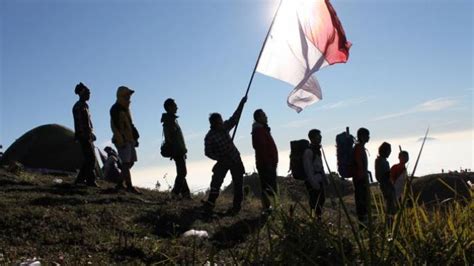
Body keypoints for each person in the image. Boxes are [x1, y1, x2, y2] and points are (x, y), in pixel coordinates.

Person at [202, 96, 247, 215]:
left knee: (238, 183)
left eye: (221, 120)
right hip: (223, 161)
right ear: (213, 123)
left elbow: (235, 117)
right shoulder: (209, 137)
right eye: (219, 121)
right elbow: (208, 152)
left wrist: (241, 103)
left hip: (235, 158)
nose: (221, 122)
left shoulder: (225, 127)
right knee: (216, 182)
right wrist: (220, 158)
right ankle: (211, 202)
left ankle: (236, 207)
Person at [110, 86, 141, 194]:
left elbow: (130, 125)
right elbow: (115, 127)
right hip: (122, 140)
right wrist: (121, 140)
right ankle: (128, 186)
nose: (129, 98)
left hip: (129, 139)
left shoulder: (125, 109)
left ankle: (120, 184)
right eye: (127, 95)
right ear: (121, 96)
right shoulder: (115, 109)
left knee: (130, 162)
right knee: (126, 163)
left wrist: (135, 137)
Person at [161, 98, 191, 200]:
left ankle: (186, 194)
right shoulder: (169, 121)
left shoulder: (172, 120)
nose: (177, 107)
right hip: (177, 151)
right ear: (169, 107)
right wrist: (176, 150)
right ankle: (175, 193)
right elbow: (169, 138)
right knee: (182, 173)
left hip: (179, 151)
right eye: (174, 105)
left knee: (181, 172)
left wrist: (182, 150)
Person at [251, 109, 278, 213]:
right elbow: (261, 148)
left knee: (269, 186)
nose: (266, 117)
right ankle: (268, 208)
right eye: (264, 115)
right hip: (266, 164)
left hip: (268, 163)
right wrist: (268, 162)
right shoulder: (259, 131)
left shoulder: (262, 130)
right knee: (268, 187)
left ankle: (269, 208)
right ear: (258, 118)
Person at [72, 82, 98, 187]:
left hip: (87, 135)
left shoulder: (85, 105)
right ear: (81, 93)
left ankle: (80, 180)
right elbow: (81, 123)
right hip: (84, 136)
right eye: (87, 93)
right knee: (91, 158)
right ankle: (90, 181)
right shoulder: (79, 106)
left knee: (89, 158)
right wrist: (87, 135)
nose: (89, 95)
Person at [303, 129, 328, 220]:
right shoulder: (309, 152)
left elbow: (321, 167)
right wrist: (315, 184)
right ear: (312, 138)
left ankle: (317, 220)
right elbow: (308, 169)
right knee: (314, 203)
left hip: (319, 181)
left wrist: (324, 179)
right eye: (318, 136)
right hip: (313, 183)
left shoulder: (317, 150)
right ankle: (314, 221)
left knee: (320, 202)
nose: (320, 137)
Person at [353, 127, 370, 225]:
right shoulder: (359, 148)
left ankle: (363, 222)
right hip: (360, 179)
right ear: (362, 136)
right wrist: (364, 173)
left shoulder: (359, 147)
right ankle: (363, 224)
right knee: (361, 202)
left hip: (360, 177)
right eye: (367, 135)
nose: (369, 137)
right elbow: (358, 162)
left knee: (362, 201)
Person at [375, 142, 396, 215]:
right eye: (389, 151)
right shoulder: (381, 161)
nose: (389, 153)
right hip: (386, 186)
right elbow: (381, 175)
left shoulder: (381, 160)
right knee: (390, 205)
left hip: (387, 185)